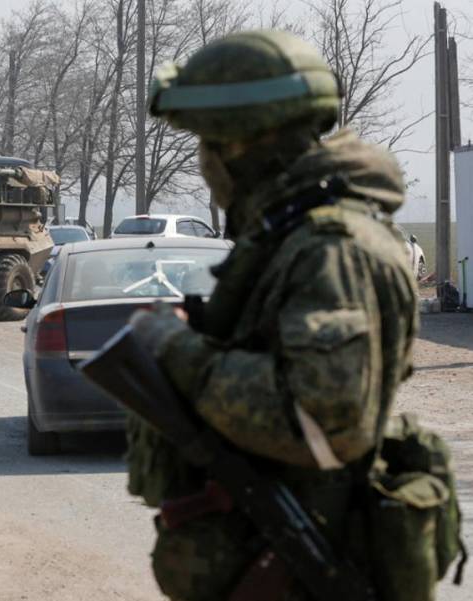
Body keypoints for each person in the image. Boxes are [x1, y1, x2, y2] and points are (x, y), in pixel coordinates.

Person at [115, 30, 427, 600]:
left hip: (302, 574)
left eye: (208, 142)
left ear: (244, 145)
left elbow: (322, 420)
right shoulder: (290, 237)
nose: (204, 161)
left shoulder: (329, 248)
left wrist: (174, 348)